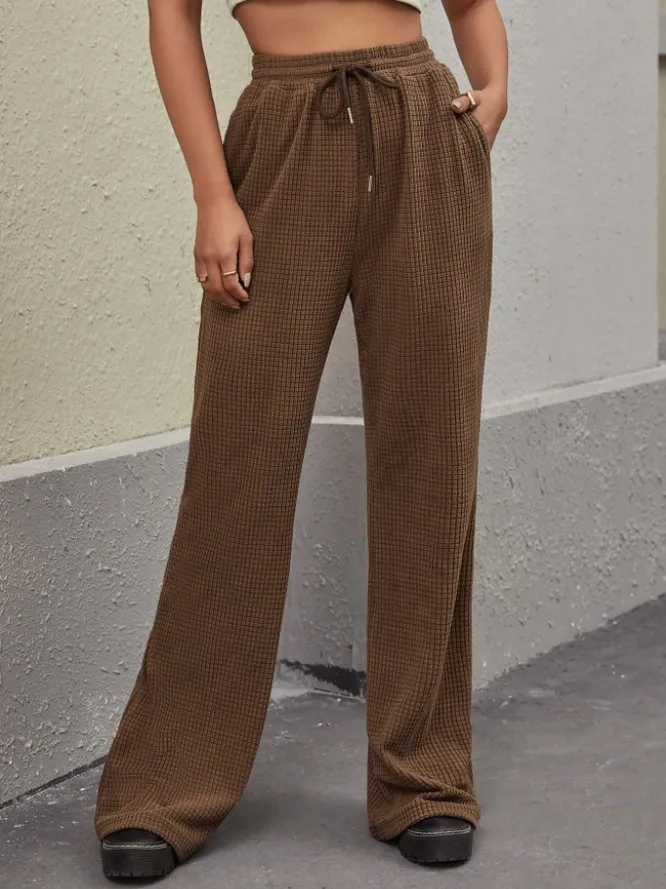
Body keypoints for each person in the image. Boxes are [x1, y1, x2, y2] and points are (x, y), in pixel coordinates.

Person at [93, 0, 508, 880]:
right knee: (236, 466)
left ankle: (424, 774)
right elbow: (172, 18)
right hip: (278, 135)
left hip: (424, 131)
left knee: (431, 456)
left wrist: (495, 90)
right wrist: (213, 194)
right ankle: (167, 783)